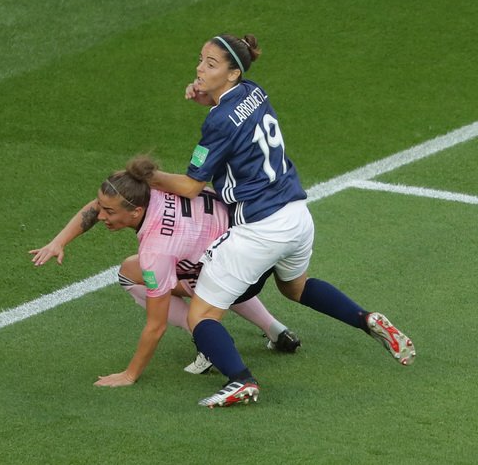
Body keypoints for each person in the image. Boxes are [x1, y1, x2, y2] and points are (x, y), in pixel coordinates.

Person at [147, 33, 414, 408]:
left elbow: (192, 186)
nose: (199, 68)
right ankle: (366, 318)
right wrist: (206, 94)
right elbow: (230, 115)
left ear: (232, 72)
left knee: (201, 315)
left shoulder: (219, 121)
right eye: (201, 60)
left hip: (259, 227)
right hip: (297, 217)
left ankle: (241, 381)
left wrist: (150, 177)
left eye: (210, 63)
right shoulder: (254, 91)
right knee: (295, 287)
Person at [30, 156, 301, 388]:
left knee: (143, 278)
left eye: (109, 212)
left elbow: (155, 325)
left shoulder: (155, 252)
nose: (101, 217)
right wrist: (59, 241)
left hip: (232, 265)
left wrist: (130, 374)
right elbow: (98, 203)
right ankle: (276, 330)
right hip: (255, 245)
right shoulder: (148, 189)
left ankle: (206, 338)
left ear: (136, 212)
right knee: (153, 269)